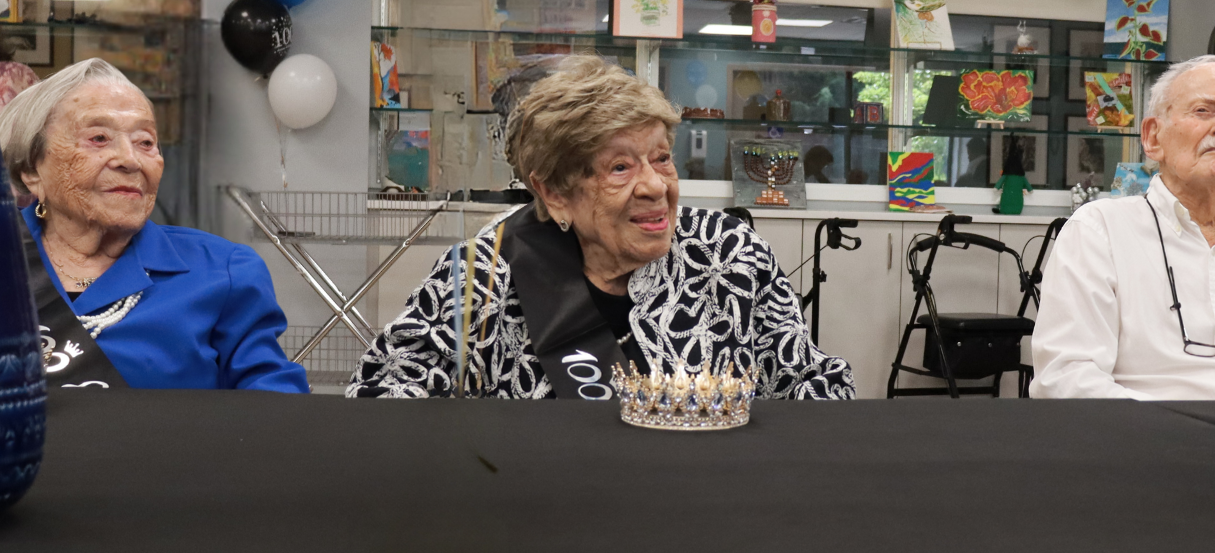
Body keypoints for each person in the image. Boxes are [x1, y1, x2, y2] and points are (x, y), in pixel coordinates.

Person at [349, 54, 855, 400]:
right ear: (554, 191)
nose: (655, 185)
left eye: (662, 158)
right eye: (620, 167)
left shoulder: (729, 253)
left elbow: (810, 381)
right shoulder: (483, 275)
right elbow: (380, 394)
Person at [0, 58, 308, 391]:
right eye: (99, 138)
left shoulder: (223, 271)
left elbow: (275, 404)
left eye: (145, 142)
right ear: (31, 171)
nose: (130, 160)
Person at [1032, 55, 1215, 400]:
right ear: (1152, 137)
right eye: (1203, 110)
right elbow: (1066, 379)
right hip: (1158, 431)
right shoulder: (1100, 233)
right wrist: (1187, 428)